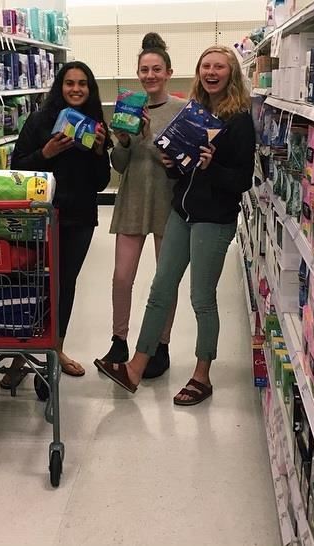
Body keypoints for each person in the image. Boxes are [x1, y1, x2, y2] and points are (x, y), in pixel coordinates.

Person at [95, 45, 256, 406]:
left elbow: (242, 179)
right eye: (206, 66)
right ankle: (135, 367)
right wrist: (171, 162)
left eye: (219, 66)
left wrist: (211, 165)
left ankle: (202, 375)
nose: (211, 72)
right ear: (199, 72)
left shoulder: (239, 119)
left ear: (231, 74)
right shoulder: (195, 111)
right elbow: (184, 170)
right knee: (160, 290)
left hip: (213, 220)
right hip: (181, 213)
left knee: (202, 298)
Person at [2, 61, 111, 387]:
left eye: (82, 84)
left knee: (64, 285)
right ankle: (20, 356)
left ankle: (56, 350)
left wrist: (100, 150)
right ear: (60, 87)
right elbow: (16, 168)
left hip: (79, 218)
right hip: (38, 219)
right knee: (34, 284)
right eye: (70, 83)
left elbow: (102, 182)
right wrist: (46, 152)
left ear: (89, 89)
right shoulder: (39, 121)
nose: (76, 89)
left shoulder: (94, 125)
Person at [96, 32, 187, 379]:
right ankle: (119, 341)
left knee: (165, 281)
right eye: (144, 70)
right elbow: (120, 164)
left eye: (156, 69)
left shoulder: (181, 110)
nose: (150, 76)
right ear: (138, 74)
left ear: (167, 72)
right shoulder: (127, 108)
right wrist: (120, 142)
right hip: (132, 199)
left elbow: (183, 162)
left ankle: (160, 346)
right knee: (122, 277)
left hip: (168, 201)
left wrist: (150, 139)